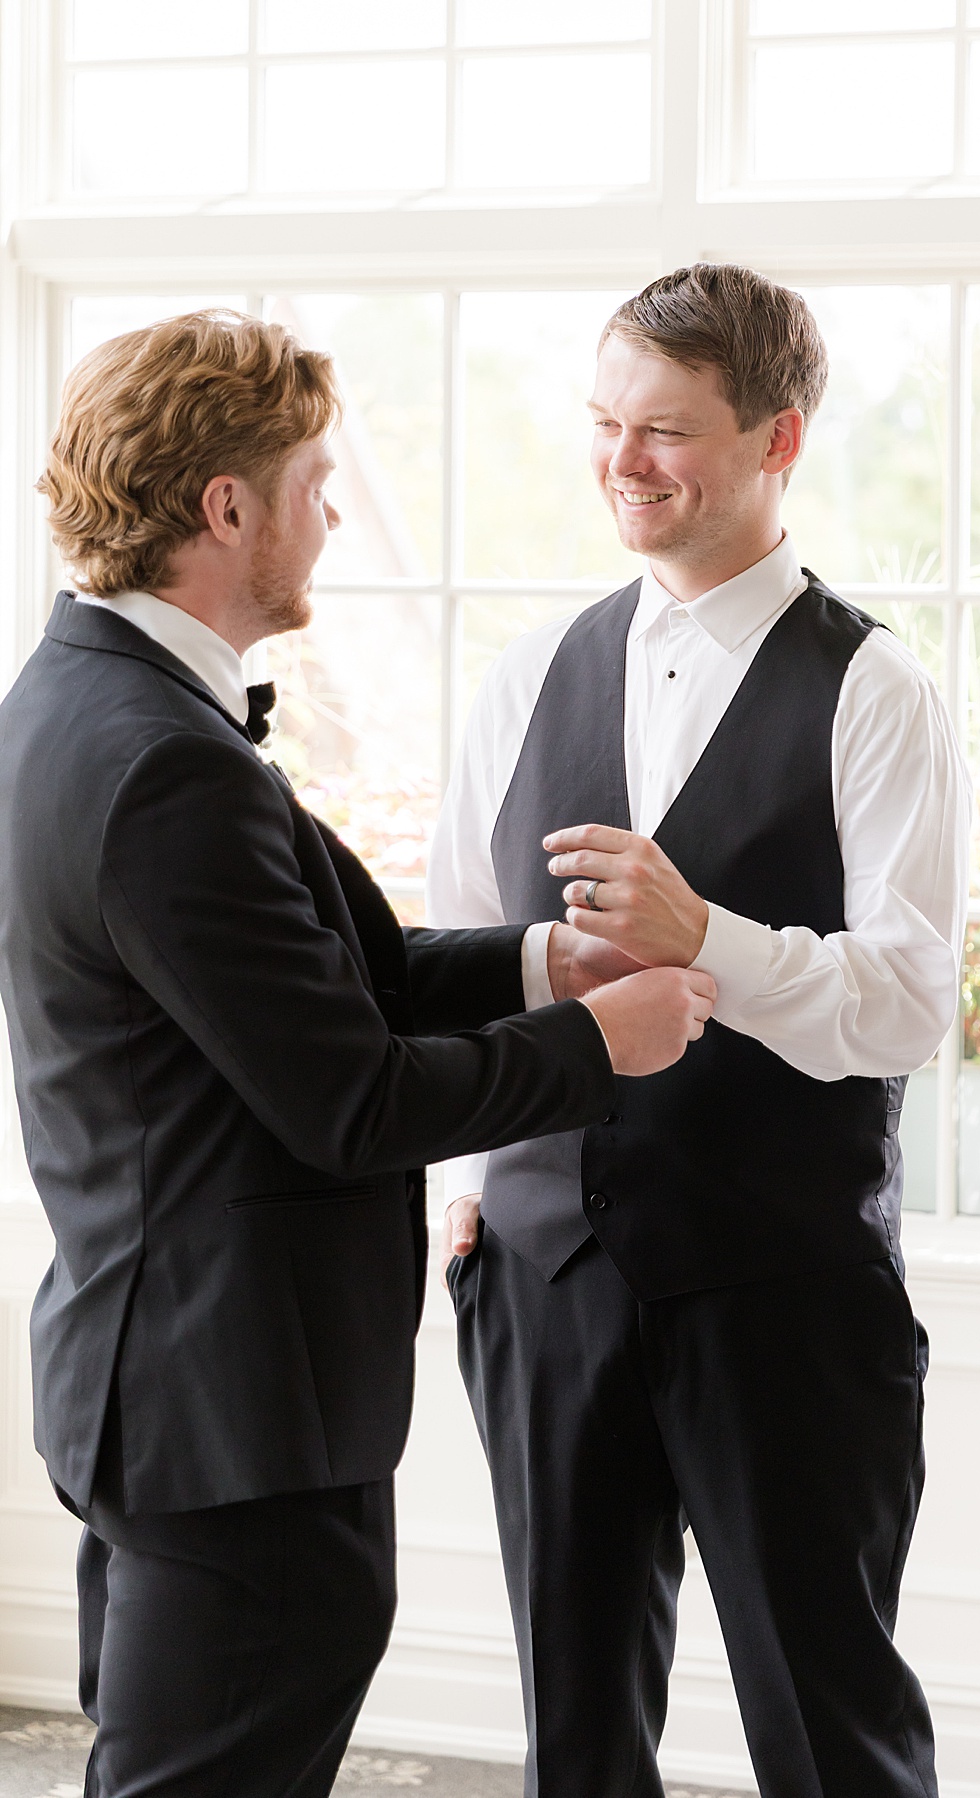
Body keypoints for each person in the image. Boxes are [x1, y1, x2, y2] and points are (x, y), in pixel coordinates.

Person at [0, 310, 716, 1798]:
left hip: (164, 1383)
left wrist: (533, 959)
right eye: (317, 481)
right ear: (227, 505)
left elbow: (310, 988)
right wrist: (600, 1040)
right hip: (238, 1419)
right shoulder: (163, 765)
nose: (334, 513)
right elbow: (348, 1097)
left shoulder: (76, 705)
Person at [428, 263, 968, 1797]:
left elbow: (912, 1000)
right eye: (604, 423)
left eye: (664, 429)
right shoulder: (528, 673)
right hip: (542, 1280)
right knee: (576, 1727)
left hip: (786, 1293)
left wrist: (707, 939)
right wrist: (461, 1202)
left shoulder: (878, 692)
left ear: (777, 437)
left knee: (831, 1722)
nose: (621, 461)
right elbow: (452, 953)